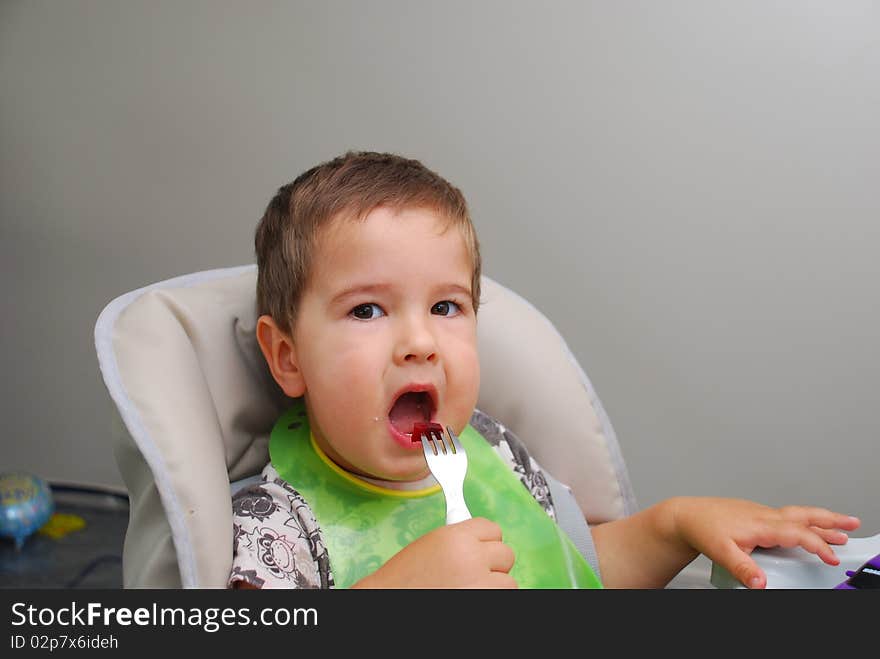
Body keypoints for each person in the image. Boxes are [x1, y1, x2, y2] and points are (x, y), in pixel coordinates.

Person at [228, 151, 860, 589]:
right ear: (288, 357)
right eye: (367, 310)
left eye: (446, 306)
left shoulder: (493, 452)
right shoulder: (276, 527)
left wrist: (676, 525)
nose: (419, 342)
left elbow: (568, 569)